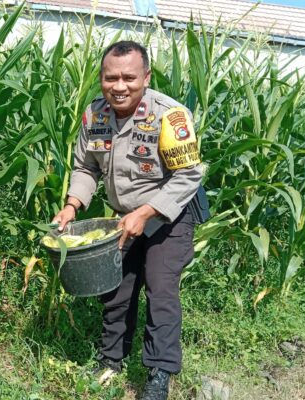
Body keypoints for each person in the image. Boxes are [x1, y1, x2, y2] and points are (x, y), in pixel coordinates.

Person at [52, 40, 204, 400]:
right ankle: (110, 361)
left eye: (129, 78)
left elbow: (189, 175)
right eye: (111, 78)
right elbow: (85, 167)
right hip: (124, 217)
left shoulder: (171, 115)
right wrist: (72, 205)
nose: (119, 86)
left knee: (160, 287)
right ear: (102, 78)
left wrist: (148, 212)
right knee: (117, 289)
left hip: (171, 215)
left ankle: (159, 372)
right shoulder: (95, 115)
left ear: (146, 77)